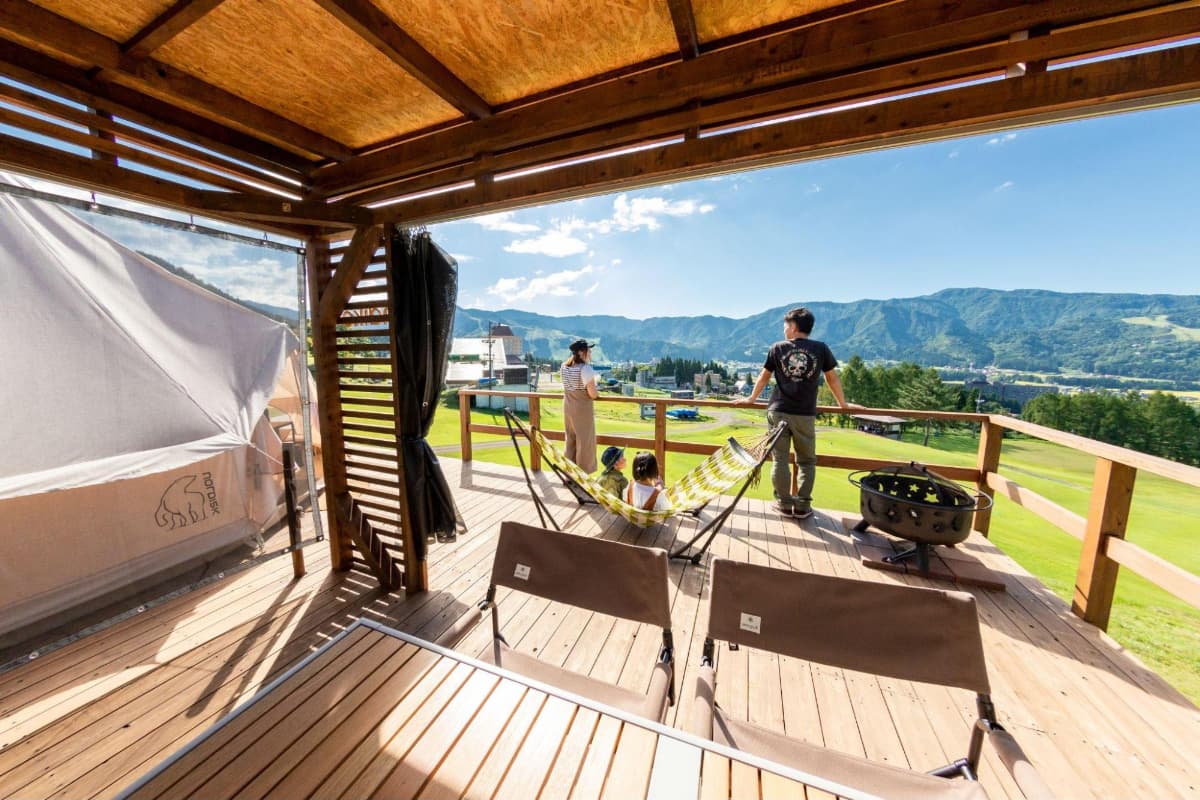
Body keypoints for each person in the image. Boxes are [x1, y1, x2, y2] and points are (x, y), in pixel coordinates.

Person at [734, 307, 850, 518]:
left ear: (794, 327)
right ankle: (803, 506)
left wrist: (751, 399)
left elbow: (764, 376)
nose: (784, 329)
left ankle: (784, 504)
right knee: (806, 461)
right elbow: (832, 378)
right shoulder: (821, 348)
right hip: (805, 413)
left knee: (780, 459)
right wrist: (843, 404)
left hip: (778, 411)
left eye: (786, 325)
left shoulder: (777, 348)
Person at [561, 338, 599, 472]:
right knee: (584, 441)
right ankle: (583, 474)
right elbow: (593, 394)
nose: (591, 353)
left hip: (568, 405)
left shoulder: (564, 366)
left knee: (570, 439)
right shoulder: (585, 369)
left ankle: (569, 472)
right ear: (582, 352)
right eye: (589, 350)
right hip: (582, 408)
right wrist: (597, 390)